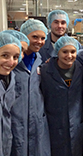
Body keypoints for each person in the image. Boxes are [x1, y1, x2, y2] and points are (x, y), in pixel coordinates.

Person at [11, 19, 51, 156]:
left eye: (42, 38)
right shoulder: (11, 61)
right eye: (34, 37)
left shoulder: (40, 61)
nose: (39, 41)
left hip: (36, 121)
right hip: (14, 121)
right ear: (23, 35)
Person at [40, 36, 83, 156]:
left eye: (73, 51)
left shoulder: (81, 69)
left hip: (77, 124)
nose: (69, 56)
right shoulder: (44, 71)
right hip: (53, 124)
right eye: (65, 52)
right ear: (57, 52)